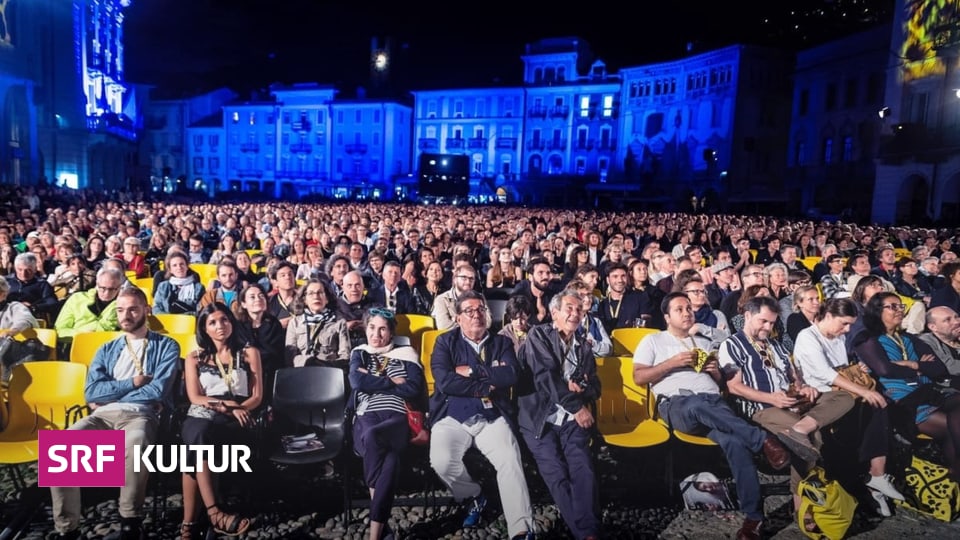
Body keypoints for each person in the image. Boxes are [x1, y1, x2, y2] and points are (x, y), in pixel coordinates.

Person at [633, 292, 790, 540]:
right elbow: (638, 377)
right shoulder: (653, 341)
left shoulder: (704, 343)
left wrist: (715, 372)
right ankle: (763, 440)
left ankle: (754, 519)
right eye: (679, 309)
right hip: (678, 405)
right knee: (696, 404)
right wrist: (671, 363)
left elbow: (722, 385)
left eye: (689, 308)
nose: (687, 313)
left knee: (736, 443)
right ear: (666, 317)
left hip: (714, 406)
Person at [49, 288, 180, 540]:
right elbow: (91, 393)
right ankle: (68, 529)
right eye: (120, 310)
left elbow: (157, 390)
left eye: (132, 309)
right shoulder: (106, 349)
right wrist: (133, 382)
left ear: (146, 309)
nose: (126, 315)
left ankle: (130, 519)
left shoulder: (166, 346)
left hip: (140, 414)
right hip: (102, 415)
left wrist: (108, 394)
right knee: (62, 444)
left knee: (135, 442)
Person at [719, 296, 856, 512]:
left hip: (791, 401)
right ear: (747, 316)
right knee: (812, 438)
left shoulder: (776, 345)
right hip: (762, 408)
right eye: (763, 321)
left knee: (845, 397)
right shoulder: (732, 344)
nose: (768, 327)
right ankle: (801, 504)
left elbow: (794, 378)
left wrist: (802, 388)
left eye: (772, 323)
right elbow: (734, 387)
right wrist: (771, 398)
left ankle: (802, 427)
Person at [428, 290, 536, 539]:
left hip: (492, 415)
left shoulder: (501, 342)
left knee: (509, 458)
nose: (476, 315)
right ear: (458, 318)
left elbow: (510, 375)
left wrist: (472, 371)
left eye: (480, 309)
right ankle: (474, 495)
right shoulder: (445, 342)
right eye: (469, 311)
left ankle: (521, 528)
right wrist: (487, 380)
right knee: (441, 461)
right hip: (452, 415)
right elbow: (445, 382)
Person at [793, 298, 904, 517]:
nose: (847, 329)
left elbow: (842, 369)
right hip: (819, 396)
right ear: (827, 316)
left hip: (842, 393)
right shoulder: (807, 337)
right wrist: (864, 390)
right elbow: (826, 374)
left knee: (878, 404)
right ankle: (873, 479)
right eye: (844, 323)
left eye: (850, 324)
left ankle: (876, 476)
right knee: (872, 403)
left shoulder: (839, 337)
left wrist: (857, 369)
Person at [516, 289, 601, 540]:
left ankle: (587, 532)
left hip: (570, 420)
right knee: (556, 473)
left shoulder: (584, 347)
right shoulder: (538, 335)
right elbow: (544, 376)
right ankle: (586, 532)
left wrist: (583, 387)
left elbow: (597, 386)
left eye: (579, 310)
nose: (575, 314)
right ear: (555, 313)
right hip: (538, 419)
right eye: (569, 309)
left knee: (583, 467)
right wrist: (576, 405)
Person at [854, 292, 960, 480]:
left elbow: (938, 369)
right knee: (954, 426)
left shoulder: (909, 338)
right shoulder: (867, 339)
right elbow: (884, 369)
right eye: (892, 307)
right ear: (877, 311)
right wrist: (920, 367)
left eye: (900, 306)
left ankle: (954, 474)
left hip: (930, 393)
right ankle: (955, 474)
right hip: (903, 401)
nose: (899, 310)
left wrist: (911, 364)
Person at [180, 303, 262, 539]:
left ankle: (190, 524)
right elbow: (195, 397)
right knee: (199, 432)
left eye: (224, 320)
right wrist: (228, 408)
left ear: (232, 323)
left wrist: (237, 409)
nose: (220, 327)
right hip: (204, 410)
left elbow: (256, 397)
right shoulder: (195, 357)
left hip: (241, 412)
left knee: (195, 443)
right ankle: (215, 513)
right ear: (204, 329)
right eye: (212, 322)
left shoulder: (249, 353)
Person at [348, 308, 426, 540]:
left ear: (391, 332)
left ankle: (376, 534)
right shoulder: (360, 353)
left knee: (373, 437)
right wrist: (391, 380)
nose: (376, 334)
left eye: (382, 328)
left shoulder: (407, 353)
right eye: (372, 327)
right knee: (389, 459)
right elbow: (356, 380)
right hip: (365, 414)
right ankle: (379, 534)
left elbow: (413, 388)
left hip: (396, 415)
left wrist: (372, 380)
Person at [233, 282, 285, 399]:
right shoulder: (237, 325)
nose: (258, 299)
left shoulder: (274, 324)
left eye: (261, 296)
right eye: (252, 297)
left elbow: (276, 353)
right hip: (244, 374)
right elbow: (239, 353)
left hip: (270, 373)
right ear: (244, 304)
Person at [285, 278, 351, 368]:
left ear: (327, 299)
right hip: (301, 372)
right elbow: (290, 357)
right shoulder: (295, 323)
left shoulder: (339, 322)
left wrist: (324, 365)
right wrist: (308, 362)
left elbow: (345, 356)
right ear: (304, 300)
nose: (316, 296)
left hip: (329, 373)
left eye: (320, 292)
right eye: (311, 293)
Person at [54, 267, 123, 344]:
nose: (106, 293)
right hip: (77, 345)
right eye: (102, 288)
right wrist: (80, 334)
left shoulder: (124, 305)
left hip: (109, 348)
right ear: (97, 284)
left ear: (119, 287)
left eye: (112, 289)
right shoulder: (77, 299)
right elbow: (59, 331)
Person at [919, 306, 960, 375]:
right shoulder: (925, 342)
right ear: (933, 327)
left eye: (956, 317)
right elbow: (948, 366)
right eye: (947, 320)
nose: (956, 322)